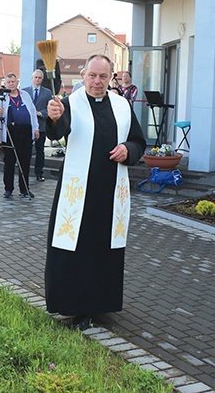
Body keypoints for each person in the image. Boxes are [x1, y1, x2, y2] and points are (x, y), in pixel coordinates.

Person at [44, 54, 146, 330]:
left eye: (102, 76)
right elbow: (57, 131)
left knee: (104, 250)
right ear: (84, 75)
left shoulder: (122, 105)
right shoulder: (70, 103)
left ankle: (101, 304)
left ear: (110, 77)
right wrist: (53, 119)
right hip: (78, 194)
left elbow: (138, 141)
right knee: (77, 249)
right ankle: (75, 307)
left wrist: (128, 150)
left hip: (111, 193)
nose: (97, 82)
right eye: (92, 76)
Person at [0, 73, 39, 198]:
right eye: (9, 82)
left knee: (25, 161)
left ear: (17, 82)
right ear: (5, 84)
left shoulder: (25, 95)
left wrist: (36, 128)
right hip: (10, 131)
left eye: (13, 81)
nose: (11, 84)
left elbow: (33, 113)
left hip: (25, 130)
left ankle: (24, 188)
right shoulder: (1, 97)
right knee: (9, 161)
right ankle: (8, 188)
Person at [22, 69, 52, 182]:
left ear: (42, 79)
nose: (37, 79)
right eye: (36, 77)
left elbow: (49, 108)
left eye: (39, 77)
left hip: (41, 125)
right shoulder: (24, 91)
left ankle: (39, 173)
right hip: (26, 125)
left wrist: (40, 113)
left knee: (40, 151)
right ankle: (24, 172)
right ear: (32, 78)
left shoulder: (47, 92)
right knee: (26, 150)